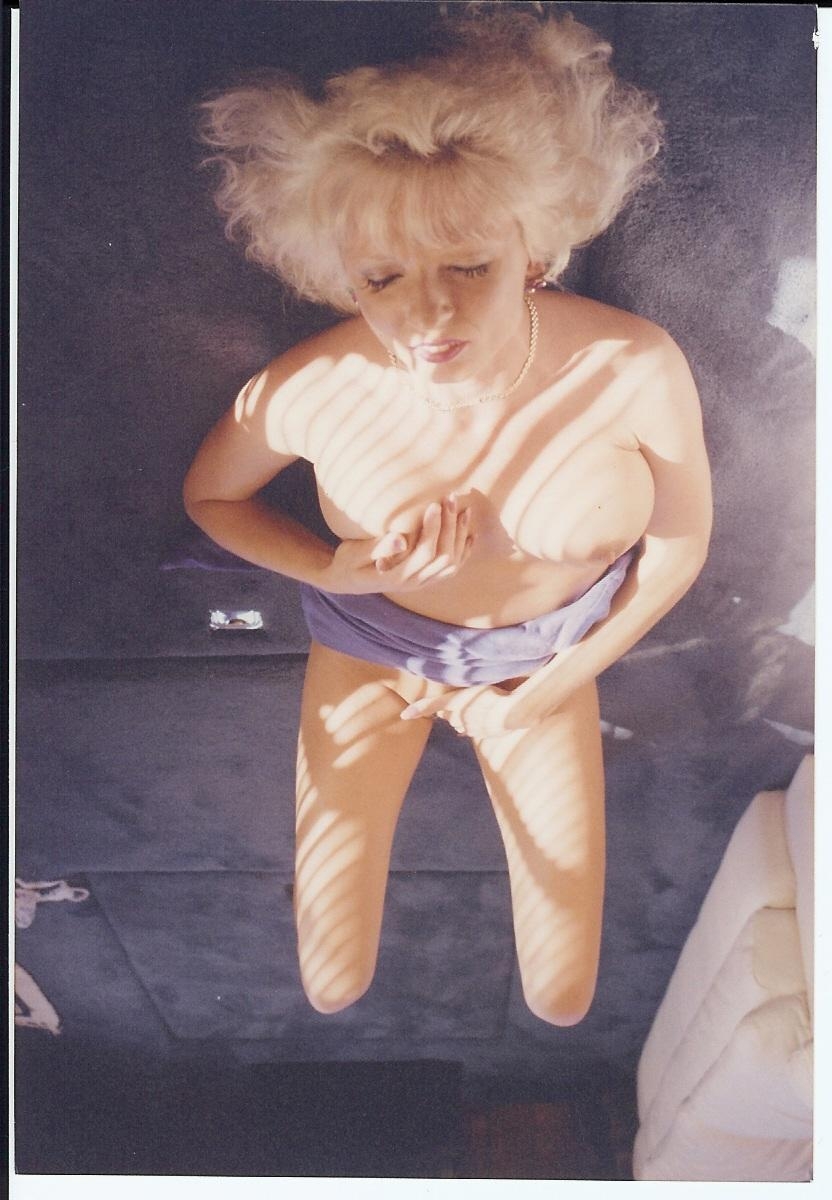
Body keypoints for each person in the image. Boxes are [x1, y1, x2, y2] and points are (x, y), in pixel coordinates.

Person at [183, 7, 712, 1025]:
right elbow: (211, 496)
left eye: (467, 266)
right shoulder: (311, 386)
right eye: (382, 278)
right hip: (371, 652)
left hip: (542, 658)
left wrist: (547, 690)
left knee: (562, 997)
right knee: (330, 984)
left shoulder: (634, 365)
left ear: (534, 246)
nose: (427, 314)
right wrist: (330, 568)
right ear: (342, 272)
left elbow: (679, 549)